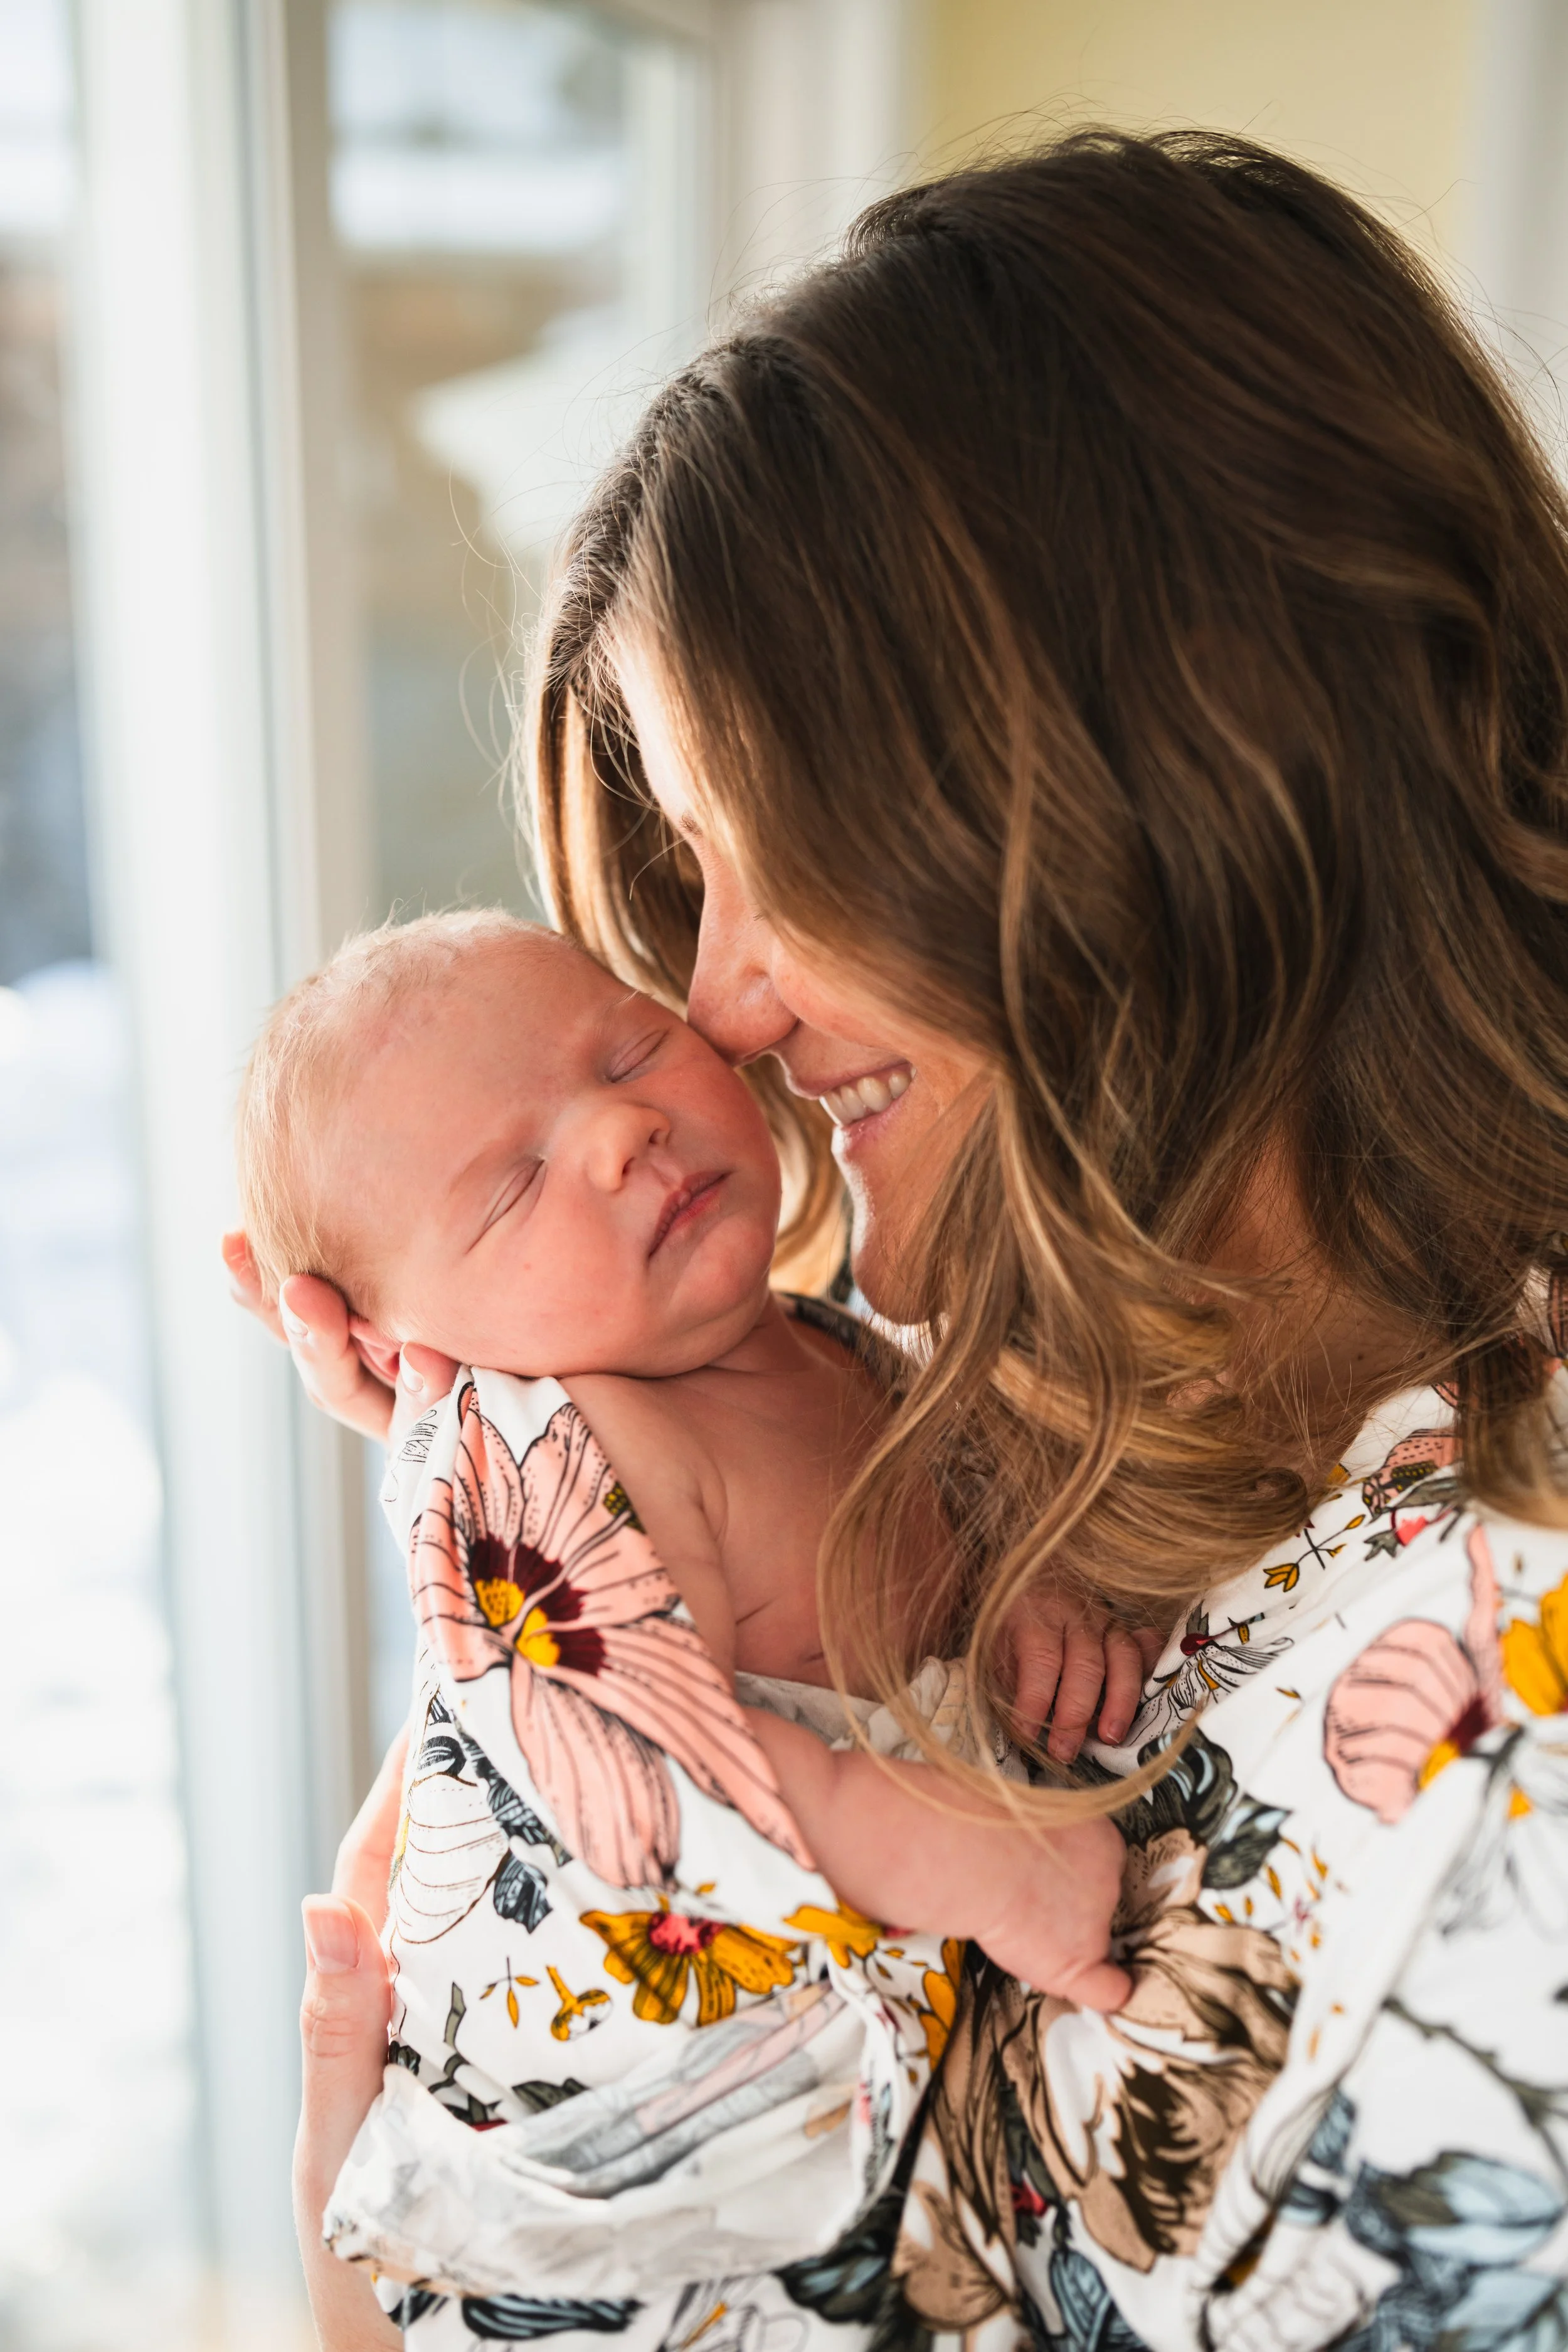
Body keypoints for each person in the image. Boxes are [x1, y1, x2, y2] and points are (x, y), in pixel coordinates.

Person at [230, 130, 1568, 2352]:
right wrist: (539, 1422)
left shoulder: (1489, 1717)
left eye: (756, 863)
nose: (721, 1008)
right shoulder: (1104, 1420)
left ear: (1127, 757)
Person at [234, 908, 1145, 2333]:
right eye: (512, 1183)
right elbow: (621, 1763)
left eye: (628, 1047)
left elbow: (952, 1472)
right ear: (409, 1343)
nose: (616, 1134)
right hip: (605, 2197)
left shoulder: (827, 1341)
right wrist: (944, 1853)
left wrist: (1033, 1573)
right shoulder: (535, 1452)